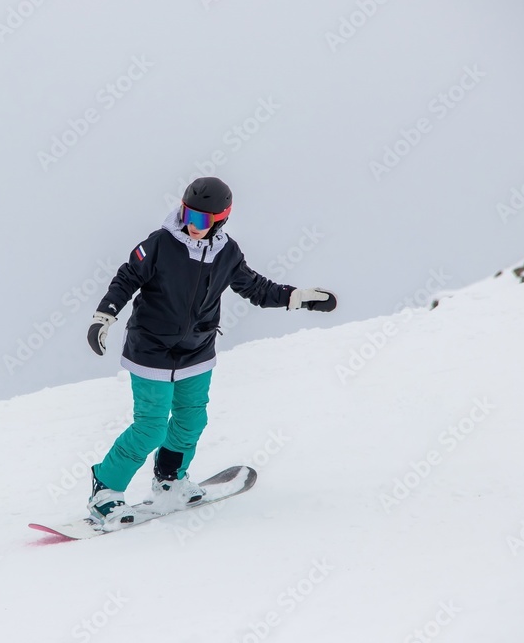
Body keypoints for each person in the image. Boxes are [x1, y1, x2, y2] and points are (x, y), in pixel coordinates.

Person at [85, 177, 336, 528]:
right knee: (151, 428)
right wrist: (104, 316)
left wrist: (298, 297)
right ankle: (105, 490)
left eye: (202, 220)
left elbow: (256, 288)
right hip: (151, 349)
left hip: (197, 350)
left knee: (192, 420)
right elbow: (126, 278)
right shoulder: (159, 244)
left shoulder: (227, 253)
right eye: (188, 214)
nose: (192, 225)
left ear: (220, 220)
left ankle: (169, 479)